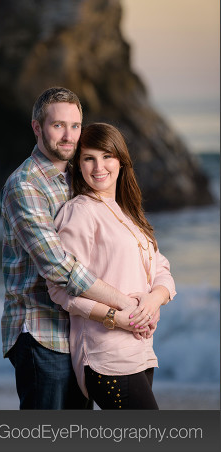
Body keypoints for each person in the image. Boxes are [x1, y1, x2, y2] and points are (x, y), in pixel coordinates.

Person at [0, 87, 155, 409]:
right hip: (42, 330)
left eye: (75, 126)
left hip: (81, 333)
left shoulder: (77, 175)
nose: (68, 135)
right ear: (37, 127)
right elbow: (59, 266)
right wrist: (126, 306)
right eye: (58, 125)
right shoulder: (25, 186)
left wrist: (151, 297)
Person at [46, 123, 174, 409]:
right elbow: (59, 288)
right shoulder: (80, 211)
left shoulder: (128, 213)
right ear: (78, 165)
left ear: (121, 160)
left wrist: (152, 303)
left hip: (140, 350)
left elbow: (162, 270)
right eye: (89, 158)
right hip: (105, 356)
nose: (98, 166)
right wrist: (117, 318)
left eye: (107, 156)